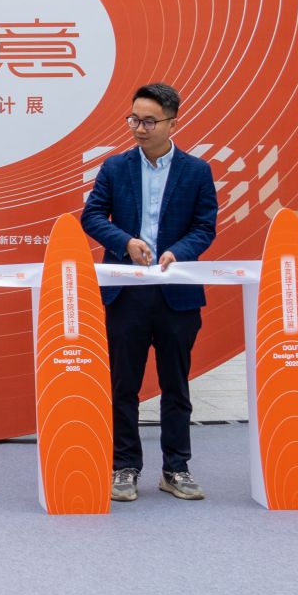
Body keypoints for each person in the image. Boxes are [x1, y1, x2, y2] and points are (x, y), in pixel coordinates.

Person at [81, 82, 219, 504]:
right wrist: (125, 242)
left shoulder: (196, 171)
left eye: (149, 121)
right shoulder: (115, 167)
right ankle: (124, 466)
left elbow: (205, 226)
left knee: (176, 385)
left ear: (172, 123)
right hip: (127, 293)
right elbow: (91, 216)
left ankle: (176, 468)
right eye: (134, 119)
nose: (139, 128)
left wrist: (179, 251)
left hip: (176, 293)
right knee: (124, 385)